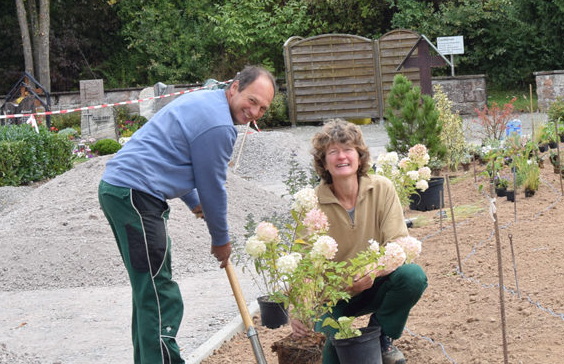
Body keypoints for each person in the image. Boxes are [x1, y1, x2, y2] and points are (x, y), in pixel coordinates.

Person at [98, 65, 276, 364]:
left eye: (263, 108)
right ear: (234, 87)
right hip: (135, 194)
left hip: (122, 190)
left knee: (148, 290)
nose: (255, 112)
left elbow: (174, 156)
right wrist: (221, 240)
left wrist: (194, 202)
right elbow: (213, 186)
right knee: (159, 292)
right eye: (252, 100)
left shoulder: (205, 101)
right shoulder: (219, 125)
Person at [294, 119, 428, 364]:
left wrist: (372, 270)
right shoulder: (312, 202)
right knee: (331, 354)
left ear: (359, 155)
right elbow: (302, 266)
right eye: (332, 152)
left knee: (412, 277)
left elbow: (398, 244)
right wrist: (300, 309)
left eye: (348, 149)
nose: (341, 157)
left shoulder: (382, 188)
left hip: (374, 286)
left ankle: (381, 335)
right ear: (323, 162)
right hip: (331, 296)